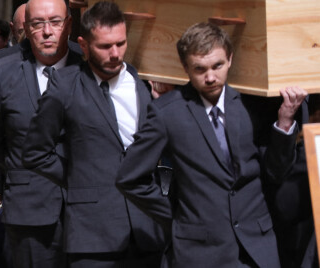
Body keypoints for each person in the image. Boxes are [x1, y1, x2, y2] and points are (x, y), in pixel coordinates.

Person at [115, 22, 307, 268]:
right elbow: (129, 177)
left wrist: (284, 122)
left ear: (230, 59)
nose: (210, 77)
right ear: (185, 68)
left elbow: (276, 172)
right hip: (200, 251)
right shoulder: (167, 113)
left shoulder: (251, 106)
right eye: (200, 69)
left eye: (217, 66)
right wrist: (176, 216)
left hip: (255, 248)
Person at [22, 1, 165, 267]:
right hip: (92, 233)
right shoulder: (65, 85)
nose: (115, 53)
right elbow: (35, 152)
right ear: (84, 45)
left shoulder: (139, 82)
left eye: (121, 43)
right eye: (104, 46)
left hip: (147, 230)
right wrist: (78, 178)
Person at [0, 0, 83, 268]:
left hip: (87, 206)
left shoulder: (89, 64)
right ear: (25, 28)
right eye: (37, 24)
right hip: (28, 209)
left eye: (55, 22)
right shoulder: (2, 71)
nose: (47, 31)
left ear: (69, 25)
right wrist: (20, 163)